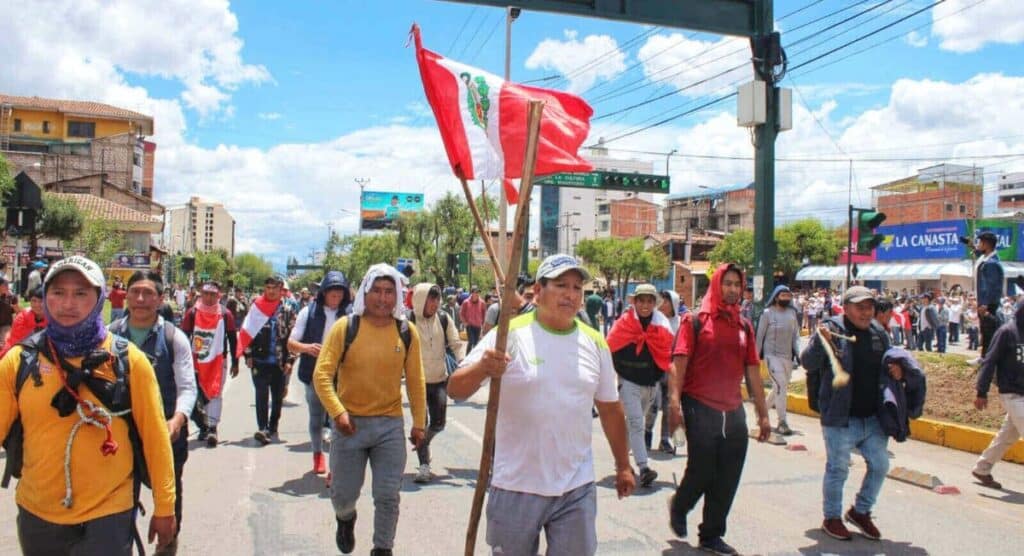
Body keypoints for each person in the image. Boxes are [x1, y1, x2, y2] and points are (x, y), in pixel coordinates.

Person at [448, 254, 635, 555]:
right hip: (516, 485)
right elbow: (456, 388)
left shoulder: (595, 342)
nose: (571, 294)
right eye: (561, 285)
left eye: (577, 288)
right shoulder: (507, 334)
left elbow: (611, 408)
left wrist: (623, 466)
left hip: (576, 487)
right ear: (538, 291)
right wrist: (483, 367)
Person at [0, 256, 177, 554]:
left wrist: (165, 505)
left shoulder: (130, 361)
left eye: (81, 293)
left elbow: (155, 439)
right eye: (58, 292)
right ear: (44, 298)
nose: (68, 303)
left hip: (108, 515)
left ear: (100, 299)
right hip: (38, 516)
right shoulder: (18, 362)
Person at [313, 263, 426, 556]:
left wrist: (419, 422)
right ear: (365, 292)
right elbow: (322, 375)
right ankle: (345, 519)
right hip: (349, 426)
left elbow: (416, 380)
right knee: (343, 495)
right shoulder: (345, 328)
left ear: (398, 295)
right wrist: (338, 413)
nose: (383, 298)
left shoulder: (406, 331)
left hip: (389, 426)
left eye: (390, 292)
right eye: (376, 290)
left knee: (388, 495)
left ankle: (382, 548)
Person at [667, 263, 771, 555]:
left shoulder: (744, 326)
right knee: (702, 469)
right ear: (716, 285)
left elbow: (752, 371)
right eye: (727, 283)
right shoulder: (696, 321)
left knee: (728, 474)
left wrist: (763, 415)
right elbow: (679, 364)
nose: (733, 289)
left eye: (737, 284)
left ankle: (711, 535)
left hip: (732, 408)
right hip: (699, 403)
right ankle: (680, 505)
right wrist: (674, 404)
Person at [110, 270, 198, 554]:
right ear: (126, 296)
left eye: (148, 293)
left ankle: (168, 542)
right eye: (135, 292)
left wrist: (178, 419)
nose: (140, 299)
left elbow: (187, 387)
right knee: (118, 499)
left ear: (160, 299)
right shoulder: (109, 337)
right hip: (119, 438)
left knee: (170, 496)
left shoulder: (174, 339)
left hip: (165, 436)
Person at [801, 286, 893, 542]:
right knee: (838, 468)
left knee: (881, 464)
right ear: (846, 307)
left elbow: (888, 364)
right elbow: (807, 362)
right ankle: (832, 517)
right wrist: (821, 343)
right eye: (860, 307)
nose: (866, 312)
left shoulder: (878, 333)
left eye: (869, 307)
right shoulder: (832, 329)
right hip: (840, 417)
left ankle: (860, 511)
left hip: (873, 419)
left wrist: (897, 371)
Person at [606, 283, 674, 488]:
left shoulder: (662, 326)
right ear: (634, 302)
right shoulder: (624, 324)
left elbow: (667, 352)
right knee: (636, 423)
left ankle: (622, 464)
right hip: (629, 384)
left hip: (651, 385)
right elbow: (609, 348)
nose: (645, 305)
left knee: (634, 425)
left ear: (654, 303)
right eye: (641, 300)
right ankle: (644, 468)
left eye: (649, 301)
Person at [288, 271, 351, 476]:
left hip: (341, 374)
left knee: (337, 419)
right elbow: (291, 343)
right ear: (323, 292)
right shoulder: (308, 312)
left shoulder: (349, 315)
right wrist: (307, 348)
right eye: (332, 293)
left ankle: (335, 464)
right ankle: (317, 455)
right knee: (316, 417)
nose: (336, 297)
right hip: (313, 372)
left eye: (340, 293)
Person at [409, 283, 465, 483]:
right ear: (420, 300)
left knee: (439, 423)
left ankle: (422, 441)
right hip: (417, 382)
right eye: (430, 299)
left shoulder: (443, 318)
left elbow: (456, 343)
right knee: (421, 424)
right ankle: (424, 466)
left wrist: (462, 362)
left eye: (437, 299)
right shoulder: (407, 321)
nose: (435, 303)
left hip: (440, 379)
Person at [970, 300, 1024, 490]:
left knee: (1008, 435)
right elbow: (989, 361)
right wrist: (981, 391)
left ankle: (982, 468)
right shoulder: (1007, 332)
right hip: (1012, 393)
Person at [181, 281, 239, 446]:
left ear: (218, 296)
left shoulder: (225, 314)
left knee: (214, 393)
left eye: (212, 294)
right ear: (201, 294)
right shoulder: (192, 313)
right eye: (206, 293)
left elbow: (233, 339)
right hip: (194, 361)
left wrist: (235, 362)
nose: (208, 297)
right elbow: (184, 337)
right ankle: (203, 426)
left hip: (218, 360)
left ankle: (212, 428)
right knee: (194, 395)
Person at [240, 275, 296, 445]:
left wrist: (290, 361)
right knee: (261, 395)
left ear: (281, 290)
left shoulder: (288, 310)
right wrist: (248, 355)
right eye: (268, 288)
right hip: (259, 360)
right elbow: (247, 331)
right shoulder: (256, 307)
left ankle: (273, 427)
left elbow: (294, 336)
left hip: (279, 362)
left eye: (275, 288)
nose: (271, 291)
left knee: (277, 398)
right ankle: (262, 428)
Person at [755, 284, 801, 436]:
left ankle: (761, 414)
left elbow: (796, 336)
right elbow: (760, 336)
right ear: (776, 297)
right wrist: (754, 357)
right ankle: (782, 422)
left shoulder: (792, 314)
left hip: (787, 357)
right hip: (771, 356)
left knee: (779, 388)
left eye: (789, 296)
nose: (786, 299)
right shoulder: (767, 313)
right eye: (783, 296)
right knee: (780, 385)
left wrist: (799, 354)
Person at [647, 289, 681, 455]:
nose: (662, 304)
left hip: (672, 371)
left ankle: (665, 439)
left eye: (665, 301)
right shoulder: (653, 321)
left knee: (669, 406)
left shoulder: (680, 324)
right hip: (654, 369)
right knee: (652, 404)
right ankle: (646, 435)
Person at [975, 231, 1004, 352]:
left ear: (986, 244)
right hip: (983, 302)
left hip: (988, 304)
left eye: (980, 242)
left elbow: (991, 285)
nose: (978, 245)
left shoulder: (991, 263)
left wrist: (985, 304)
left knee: (989, 332)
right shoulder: (986, 258)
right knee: (985, 331)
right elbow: (979, 256)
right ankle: (983, 357)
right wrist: (971, 245)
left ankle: (988, 358)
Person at [1, 286, 46, 357]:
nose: (37, 305)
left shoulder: (54, 319)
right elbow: (16, 342)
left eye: (41, 301)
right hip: (18, 352)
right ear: (30, 301)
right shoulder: (22, 318)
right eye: (34, 301)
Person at [459, 286, 486, 352]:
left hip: (478, 326)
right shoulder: (466, 302)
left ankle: (474, 357)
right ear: (472, 293)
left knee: (476, 343)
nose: (477, 294)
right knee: (471, 341)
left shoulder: (482, 302)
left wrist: (483, 325)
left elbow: (484, 314)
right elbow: (461, 313)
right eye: (475, 292)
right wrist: (465, 323)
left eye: (478, 292)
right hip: (469, 325)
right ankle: (467, 356)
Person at [0, 278, 22, 347]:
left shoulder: (11, 297)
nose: (8, 287)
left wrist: (15, 307)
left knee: (6, 342)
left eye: (8, 285)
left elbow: (19, 313)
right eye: (5, 285)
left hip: (5, 325)